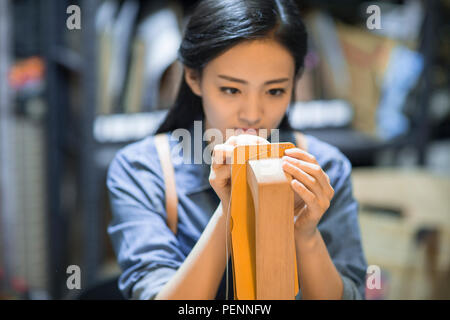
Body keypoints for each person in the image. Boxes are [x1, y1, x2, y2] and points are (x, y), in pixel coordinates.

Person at [107, 0, 367, 300]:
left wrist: (306, 235)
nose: (253, 115)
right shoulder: (143, 169)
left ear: (295, 83)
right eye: (231, 90)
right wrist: (231, 207)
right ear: (193, 77)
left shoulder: (323, 168)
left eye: (274, 91)